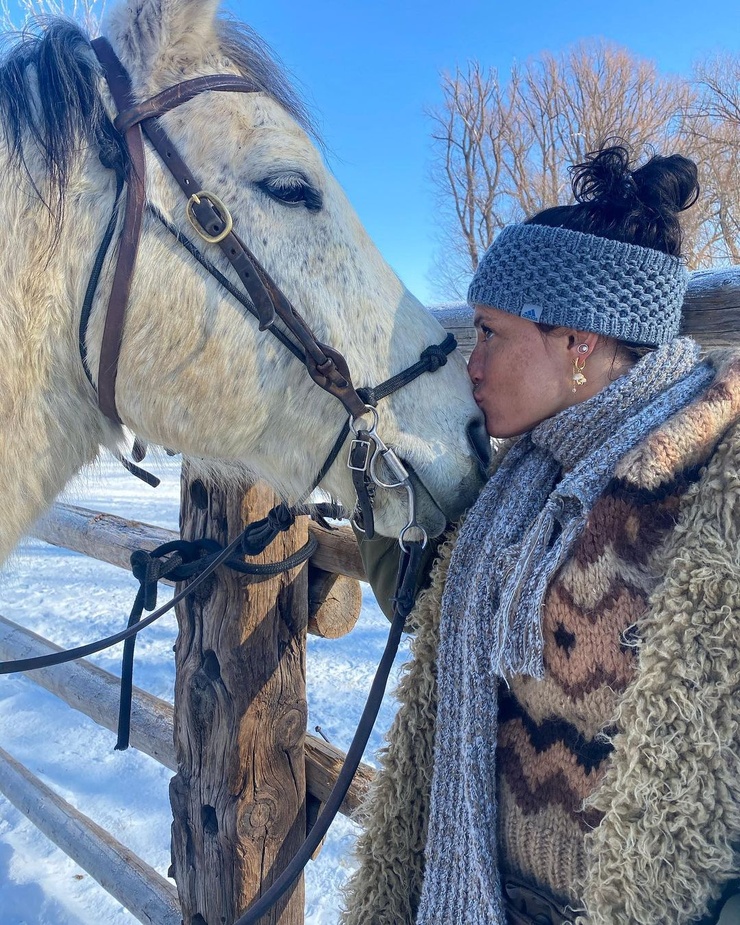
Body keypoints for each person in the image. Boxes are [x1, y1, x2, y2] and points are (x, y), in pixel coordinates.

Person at [340, 145, 740, 925]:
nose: (472, 364)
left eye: (489, 334)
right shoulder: (518, 483)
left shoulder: (712, 485)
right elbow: (416, 596)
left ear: (578, 341)